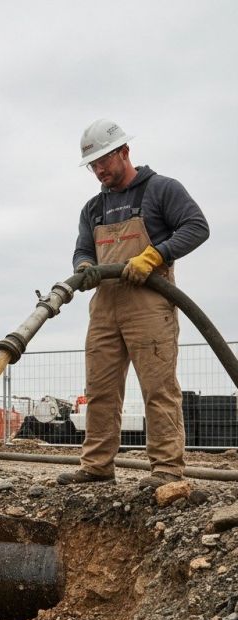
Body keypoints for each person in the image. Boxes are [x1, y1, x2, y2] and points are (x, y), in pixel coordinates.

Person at [58, 119, 209, 489]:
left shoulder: (162, 189)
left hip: (149, 304)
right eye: (93, 165)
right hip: (104, 307)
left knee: (158, 387)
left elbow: (196, 227)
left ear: (124, 151)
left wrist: (155, 255)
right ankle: (97, 466)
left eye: (103, 161)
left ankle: (167, 469)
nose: (99, 171)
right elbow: (83, 248)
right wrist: (84, 266)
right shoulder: (93, 208)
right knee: (100, 390)